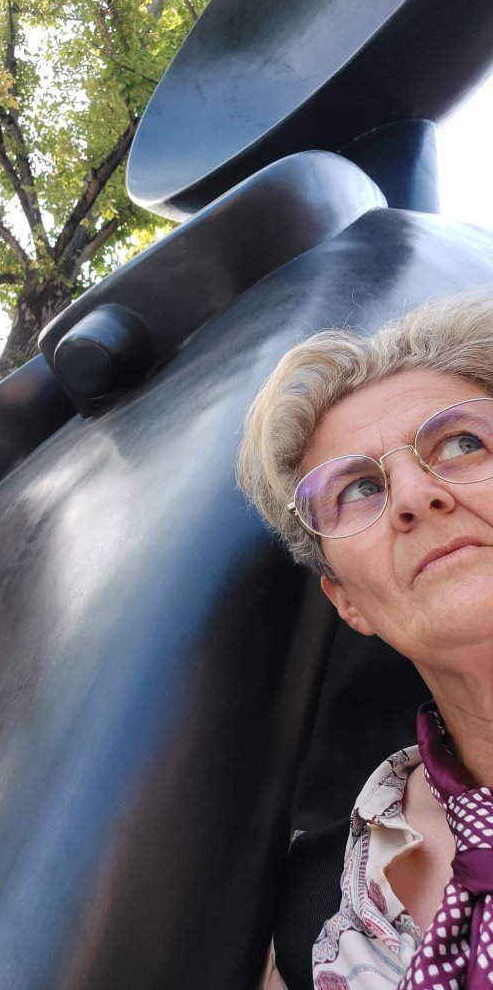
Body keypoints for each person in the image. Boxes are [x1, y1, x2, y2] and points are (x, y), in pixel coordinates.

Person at [237, 292, 493, 989]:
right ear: (347, 601)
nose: (413, 496)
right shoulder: (309, 902)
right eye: (357, 489)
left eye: (463, 443)